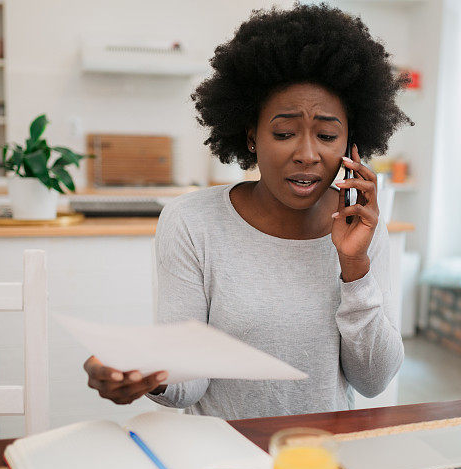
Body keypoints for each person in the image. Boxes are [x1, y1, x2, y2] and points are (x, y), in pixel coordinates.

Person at [84, 2, 413, 419]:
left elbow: (374, 381)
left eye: (327, 134)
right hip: (220, 458)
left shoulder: (360, 232)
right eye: (284, 132)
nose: (307, 154)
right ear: (252, 136)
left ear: (351, 143)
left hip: (319, 457)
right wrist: (142, 374)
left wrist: (355, 267)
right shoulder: (192, 222)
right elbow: (188, 383)